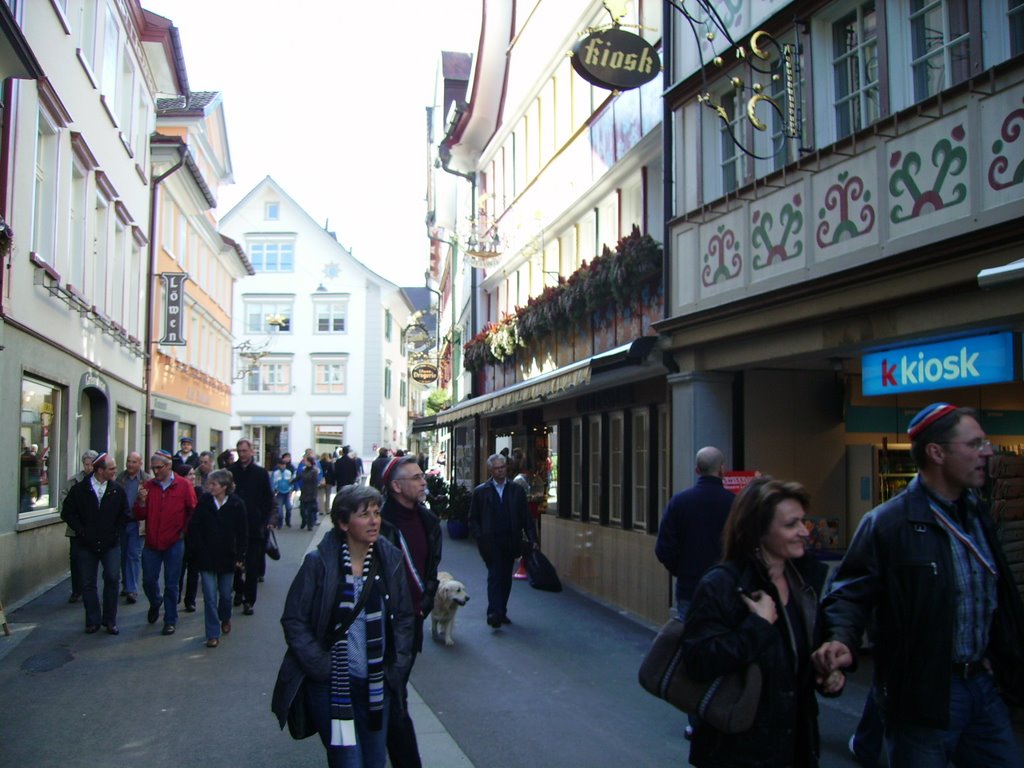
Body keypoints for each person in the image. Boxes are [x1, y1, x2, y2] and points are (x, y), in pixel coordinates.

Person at [813, 404, 1024, 768]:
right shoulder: (887, 523)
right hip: (923, 693)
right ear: (936, 453)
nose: (987, 452)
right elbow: (849, 592)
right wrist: (840, 640)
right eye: (974, 444)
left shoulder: (976, 513)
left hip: (983, 685)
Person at [680, 477, 843, 768]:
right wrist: (758, 627)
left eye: (802, 522)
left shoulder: (803, 583)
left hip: (797, 744)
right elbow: (698, 661)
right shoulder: (722, 585)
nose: (804, 532)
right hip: (738, 749)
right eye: (791, 524)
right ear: (758, 531)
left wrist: (827, 674)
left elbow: (799, 661)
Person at [273, 485, 415, 768]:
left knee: (374, 761)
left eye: (376, 512)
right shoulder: (319, 563)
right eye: (364, 515)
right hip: (333, 685)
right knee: (348, 762)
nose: (374, 520)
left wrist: (397, 669)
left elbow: (404, 617)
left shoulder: (390, 560)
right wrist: (320, 666)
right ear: (343, 522)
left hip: (377, 683)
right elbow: (294, 619)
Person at [380, 455, 443, 768]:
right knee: (394, 695)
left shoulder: (429, 521)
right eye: (416, 477)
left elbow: (430, 570)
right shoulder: (375, 520)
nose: (423, 481)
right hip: (380, 622)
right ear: (396, 486)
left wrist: (424, 605)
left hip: (411, 623)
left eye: (422, 476)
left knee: (393, 693)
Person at [655, 446, 736, 620]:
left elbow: (663, 549)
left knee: (690, 636)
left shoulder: (679, 502)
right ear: (722, 469)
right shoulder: (735, 504)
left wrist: (682, 569)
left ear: (697, 470)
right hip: (727, 585)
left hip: (690, 586)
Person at [60, 452, 131, 635]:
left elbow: (125, 514)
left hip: (111, 544)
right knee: (88, 582)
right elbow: (67, 513)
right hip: (86, 544)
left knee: (112, 579)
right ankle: (92, 620)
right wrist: (81, 531)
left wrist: (115, 532)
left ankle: (110, 620)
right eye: (111, 468)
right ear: (99, 470)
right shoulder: (80, 490)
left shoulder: (116, 489)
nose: (115, 471)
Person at [469, 453, 537, 628]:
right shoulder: (481, 491)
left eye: (503, 467)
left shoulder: (516, 490)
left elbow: (526, 517)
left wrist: (532, 538)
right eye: (497, 468)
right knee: (494, 576)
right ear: (491, 470)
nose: (500, 471)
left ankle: (502, 610)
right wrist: (479, 536)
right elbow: (473, 518)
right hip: (490, 541)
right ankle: (494, 613)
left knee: (506, 577)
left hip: (510, 539)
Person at [134, 449, 197, 636]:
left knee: (172, 584)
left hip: (174, 543)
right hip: (152, 543)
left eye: (158, 468)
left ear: (168, 466)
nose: (155, 472)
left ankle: (170, 620)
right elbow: (137, 514)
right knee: (148, 580)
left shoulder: (184, 486)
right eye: (153, 468)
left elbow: (193, 511)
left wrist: (184, 532)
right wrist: (142, 502)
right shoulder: (148, 486)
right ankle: (155, 602)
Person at [187, 469, 247, 648]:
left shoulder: (236, 504)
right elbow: (194, 527)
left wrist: (240, 556)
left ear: (224, 486)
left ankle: (225, 616)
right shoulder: (204, 502)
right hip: (206, 557)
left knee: (226, 595)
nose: (209, 487)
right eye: (209, 483)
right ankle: (212, 633)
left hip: (227, 557)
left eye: (213, 484)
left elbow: (243, 532)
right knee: (210, 596)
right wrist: (196, 550)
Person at [229, 438, 274, 615]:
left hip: (255, 527)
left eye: (245, 451)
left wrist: (264, 520)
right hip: (234, 527)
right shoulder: (231, 472)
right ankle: (238, 590)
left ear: (251, 452)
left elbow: (268, 498)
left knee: (252, 565)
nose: (242, 454)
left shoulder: (261, 473)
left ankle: (249, 600)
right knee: (234, 564)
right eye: (239, 451)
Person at [62, 449, 99, 603]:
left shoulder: (100, 481)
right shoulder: (74, 481)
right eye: (86, 464)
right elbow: (64, 498)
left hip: (93, 527)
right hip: (75, 527)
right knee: (75, 558)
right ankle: (76, 590)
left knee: (91, 559)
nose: (88, 467)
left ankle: (89, 588)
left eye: (91, 464)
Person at [115, 451, 150, 605]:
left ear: (140, 464)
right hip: (122, 522)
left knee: (133, 555)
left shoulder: (146, 480)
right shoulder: (120, 478)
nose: (130, 464)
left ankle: (132, 589)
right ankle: (126, 584)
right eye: (128, 461)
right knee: (122, 555)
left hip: (137, 522)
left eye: (133, 462)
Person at [173, 463, 201, 611]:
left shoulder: (199, 491)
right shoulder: (177, 492)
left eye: (193, 474)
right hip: (181, 535)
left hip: (196, 537)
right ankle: (175, 596)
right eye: (190, 474)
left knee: (193, 571)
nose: (193, 477)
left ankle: (190, 600)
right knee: (179, 569)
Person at [298, 454, 320, 531]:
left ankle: (309, 525)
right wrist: (291, 481)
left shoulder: (314, 471)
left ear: (309, 462)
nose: (304, 462)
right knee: (302, 510)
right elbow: (299, 477)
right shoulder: (304, 470)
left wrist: (314, 495)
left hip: (311, 492)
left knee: (310, 511)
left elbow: (315, 484)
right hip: (304, 492)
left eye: (306, 461)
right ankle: (304, 520)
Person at [272, 456, 295, 529]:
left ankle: (288, 521)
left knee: (289, 508)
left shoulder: (288, 472)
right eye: (281, 465)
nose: (283, 466)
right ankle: (280, 523)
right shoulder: (276, 473)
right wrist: (274, 490)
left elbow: (291, 482)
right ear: (279, 465)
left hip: (287, 492)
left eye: (284, 465)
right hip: (279, 493)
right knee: (280, 511)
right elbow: (273, 482)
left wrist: (292, 488)